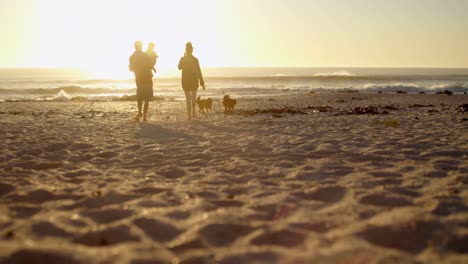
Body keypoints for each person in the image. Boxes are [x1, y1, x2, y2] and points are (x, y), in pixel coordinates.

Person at [178, 42, 205, 120]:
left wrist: (202, 82)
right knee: (192, 98)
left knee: (189, 99)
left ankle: (190, 115)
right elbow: (198, 71)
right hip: (192, 81)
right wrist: (202, 82)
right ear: (191, 50)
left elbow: (179, 67)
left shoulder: (184, 59)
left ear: (187, 50)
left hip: (186, 81)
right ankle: (192, 114)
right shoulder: (194, 60)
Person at [129, 40, 153, 122]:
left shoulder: (132, 57)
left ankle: (139, 113)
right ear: (141, 46)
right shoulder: (145, 55)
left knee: (139, 98)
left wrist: (136, 68)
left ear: (135, 46)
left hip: (139, 80)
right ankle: (144, 117)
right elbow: (150, 65)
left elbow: (130, 69)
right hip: (147, 79)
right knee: (146, 99)